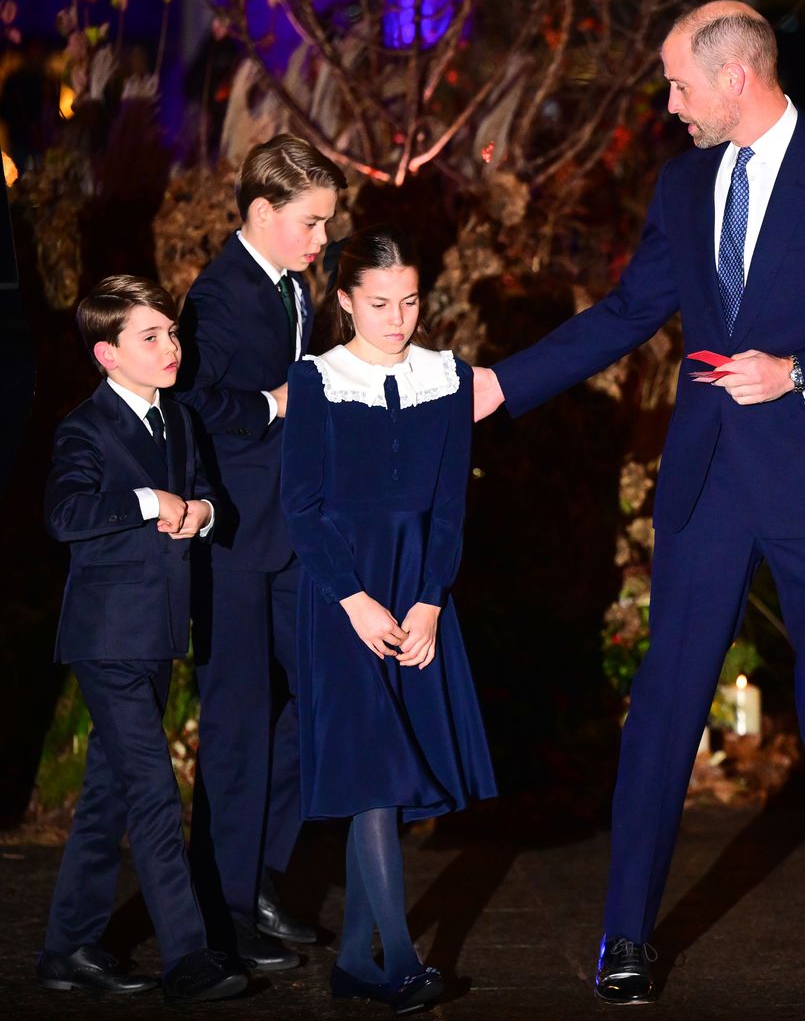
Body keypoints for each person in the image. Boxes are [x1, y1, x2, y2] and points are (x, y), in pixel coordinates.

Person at [473, 0, 805, 1010]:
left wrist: (801, 373)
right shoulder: (684, 184)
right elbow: (629, 311)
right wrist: (499, 386)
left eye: (679, 83)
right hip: (703, 487)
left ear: (736, 77)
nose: (667, 103)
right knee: (661, 715)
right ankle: (625, 936)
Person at [281, 225, 497, 1015]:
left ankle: (351, 965)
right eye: (378, 303)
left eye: (408, 301)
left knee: (398, 772)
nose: (397, 317)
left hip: (418, 593)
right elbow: (300, 510)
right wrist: (354, 600)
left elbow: (449, 504)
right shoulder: (316, 381)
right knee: (374, 772)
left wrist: (431, 599)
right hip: (342, 597)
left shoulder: (448, 378)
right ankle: (401, 963)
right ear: (343, 301)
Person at [38, 275, 247, 1004]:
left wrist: (202, 515)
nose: (170, 347)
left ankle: (68, 948)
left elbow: (204, 495)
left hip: (158, 634)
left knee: (109, 796)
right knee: (156, 791)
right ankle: (188, 958)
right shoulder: (84, 428)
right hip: (106, 638)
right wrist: (145, 502)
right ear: (107, 354)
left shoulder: (177, 420)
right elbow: (64, 513)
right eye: (150, 337)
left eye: (172, 333)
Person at [175, 133, 347, 968]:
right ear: (261, 212)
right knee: (240, 729)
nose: (322, 239)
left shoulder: (292, 283)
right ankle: (223, 910)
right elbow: (197, 402)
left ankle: (262, 877)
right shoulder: (216, 296)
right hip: (237, 543)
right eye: (311, 223)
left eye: (326, 224)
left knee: (312, 711)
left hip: (289, 534)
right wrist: (278, 404)